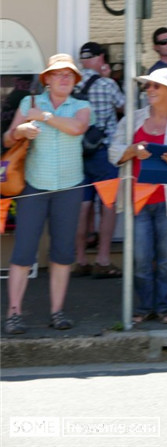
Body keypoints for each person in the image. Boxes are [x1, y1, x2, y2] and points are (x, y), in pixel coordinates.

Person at [2, 54, 91, 334]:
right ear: (48, 80)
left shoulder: (81, 106)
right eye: (58, 74)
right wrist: (21, 131)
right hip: (33, 187)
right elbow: (6, 138)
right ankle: (13, 314)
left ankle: (57, 312)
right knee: (23, 252)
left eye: (69, 75)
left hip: (69, 188)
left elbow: (77, 128)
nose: (64, 78)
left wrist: (44, 117)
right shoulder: (29, 103)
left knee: (62, 253)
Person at [109, 68, 167, 324]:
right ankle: (143, 308)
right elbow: (113, 151)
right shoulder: (133, 119)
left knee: (166, 259)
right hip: (137, 202)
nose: (149, 90)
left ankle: (163, 308)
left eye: (155, 87)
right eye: (148, 86)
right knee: (140, 259)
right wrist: (131, 150)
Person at [72, 42, 126, 279]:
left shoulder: (72, 84)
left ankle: (80, 259)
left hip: (78, 152)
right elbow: (126, 107)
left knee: (83, 206)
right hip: (103, 152)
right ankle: (103, 260)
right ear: (101, 57)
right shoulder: (106, 84)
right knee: (108, 205)